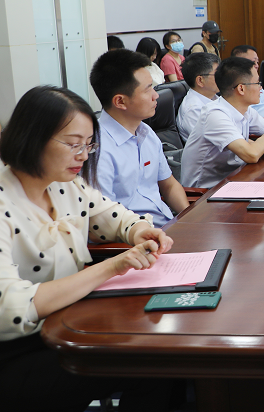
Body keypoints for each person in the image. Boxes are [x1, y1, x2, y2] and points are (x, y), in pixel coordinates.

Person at [0, 85, 174, 411]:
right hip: (18, 349)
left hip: (69, 323)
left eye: (89, 144)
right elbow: (11, 309)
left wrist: (140, 230)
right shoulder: (4, 203)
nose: (83, 155)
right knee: (151, 362)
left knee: (158, 350)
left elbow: (114, 217)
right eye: (73, 144)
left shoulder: (65, 185)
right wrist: (111, 267)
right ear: (32, 138)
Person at [89, 49, 190, 228]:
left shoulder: (146, 132)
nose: (156, 95)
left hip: (167, 226)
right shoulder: (97, 149)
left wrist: (190, 221)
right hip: (135, 238)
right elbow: (103, 220)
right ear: (120, 101)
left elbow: (169, 185)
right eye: (148, 89)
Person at [181, 56, 264, 188]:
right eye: (257, 83)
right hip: (207, 191)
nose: (260, 88)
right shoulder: (215, 115)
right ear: (241, 89)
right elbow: (252, 155)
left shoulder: (245, 108)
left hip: (235, 177)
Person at [177, 52, 220, 141]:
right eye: (218, 74)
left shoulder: (214, 97)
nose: (223, 77)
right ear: (200, 80)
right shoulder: (193, 110)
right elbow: (217, 142)